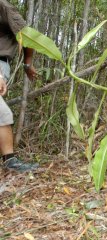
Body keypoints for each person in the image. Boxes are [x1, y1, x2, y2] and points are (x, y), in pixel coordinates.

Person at [0, 0, 38, 172]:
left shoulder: (3, 7)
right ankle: (10, 161)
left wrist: (27, 64)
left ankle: (9, 161)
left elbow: (27, 35)